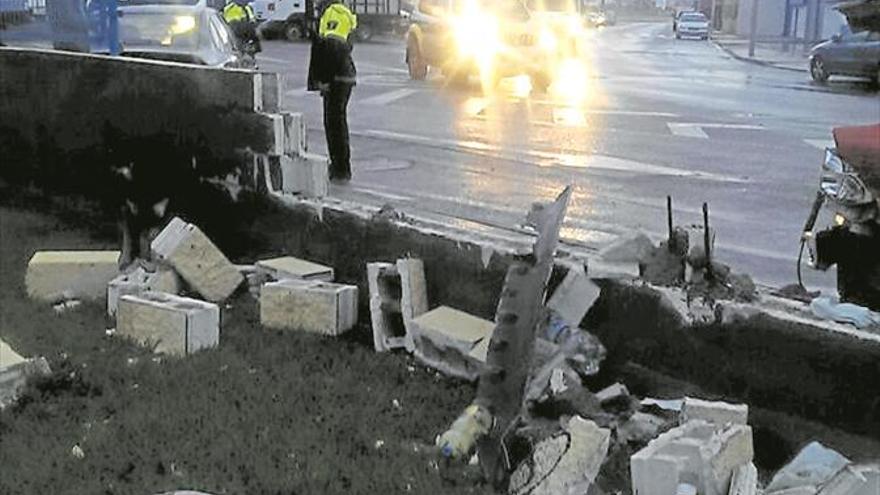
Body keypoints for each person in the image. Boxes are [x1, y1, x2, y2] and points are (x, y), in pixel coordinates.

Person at [307, 0, 357, 182]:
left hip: (336, 76)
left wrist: (322, 80)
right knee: (338, 122)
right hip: (345, 74)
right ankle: (341, 166)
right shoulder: (342, 11)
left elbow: (326, 47)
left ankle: (339, 169)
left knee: (334, 124)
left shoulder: (330, 13)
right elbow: (346, 43)